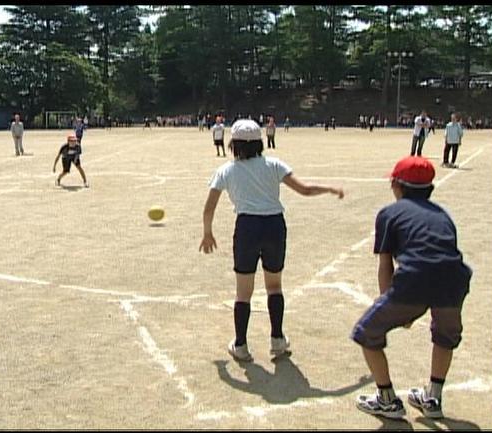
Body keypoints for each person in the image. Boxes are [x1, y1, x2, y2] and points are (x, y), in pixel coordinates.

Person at [199, 119, 344, 362]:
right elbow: (305, 189)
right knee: (274, 286)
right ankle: (277, 339)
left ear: (233, 144)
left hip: (247, 228)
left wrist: (207, 232)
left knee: (243, 292)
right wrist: (329, 188)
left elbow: (209, 207)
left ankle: (241, 344)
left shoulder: (226, 170)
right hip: (274, 226)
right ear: (260, 142)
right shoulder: (274, 164)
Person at [352, 155, 472, 420]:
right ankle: (433, 398)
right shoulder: (443, 215)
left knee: (367, 332)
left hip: (415, 280)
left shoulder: (389, 213)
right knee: (444, 336)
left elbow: (386, 265)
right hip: (455, 280)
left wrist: (391, 305)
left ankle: (386, 399)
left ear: (397, 185)